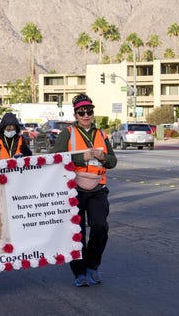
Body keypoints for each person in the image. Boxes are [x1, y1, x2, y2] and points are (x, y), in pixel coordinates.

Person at [52, 93, 117, 287]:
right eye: (82, 112)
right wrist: (82, 159)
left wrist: (103, 157)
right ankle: (79, 272)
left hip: (97, 187)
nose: (86, 115)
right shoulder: (68, 133)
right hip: (74, 190)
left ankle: (92, 265)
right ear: (76, 114)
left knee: (100, 226)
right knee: (77, 232)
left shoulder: (102, 134)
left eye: (89, 111)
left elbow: (113, 161)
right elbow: (55, 158)